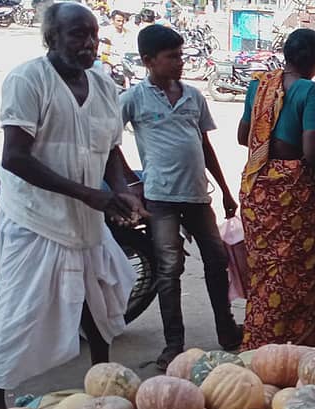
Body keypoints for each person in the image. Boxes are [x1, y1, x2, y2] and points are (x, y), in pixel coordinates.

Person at [0, 2, 145, 409]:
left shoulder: (104, 83)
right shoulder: (27, 80)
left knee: (99, 302)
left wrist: (122, 190)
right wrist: (89, 194)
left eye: (93, 34)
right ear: (51, 38)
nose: (89, 43)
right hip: (35, 219)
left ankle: (102, 387)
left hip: (85, 220)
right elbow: (15, 157)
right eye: (77, 35)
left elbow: (110, 150)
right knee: (20, 312)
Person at [121, 25, 241, 368]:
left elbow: (205, 145)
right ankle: (174, 343)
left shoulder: (194, 96)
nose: (180, 62)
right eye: (172, 57)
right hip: (160, 198)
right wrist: (131, 184)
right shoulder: (134, 98)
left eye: (181, 55)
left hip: (197, 196)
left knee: (217, 261)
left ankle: (227, 330)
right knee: (169, 269)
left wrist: (226, 191)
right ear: (148, 61)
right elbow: (107, 141)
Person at [237, 29, 315, 348]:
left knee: (263, 273)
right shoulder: (308, 91)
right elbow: (312, 151)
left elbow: (242, 136)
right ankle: (293, 350)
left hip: (257, 188)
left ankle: (257, 343)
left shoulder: (258, 85)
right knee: (296, 276)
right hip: (292, 196)